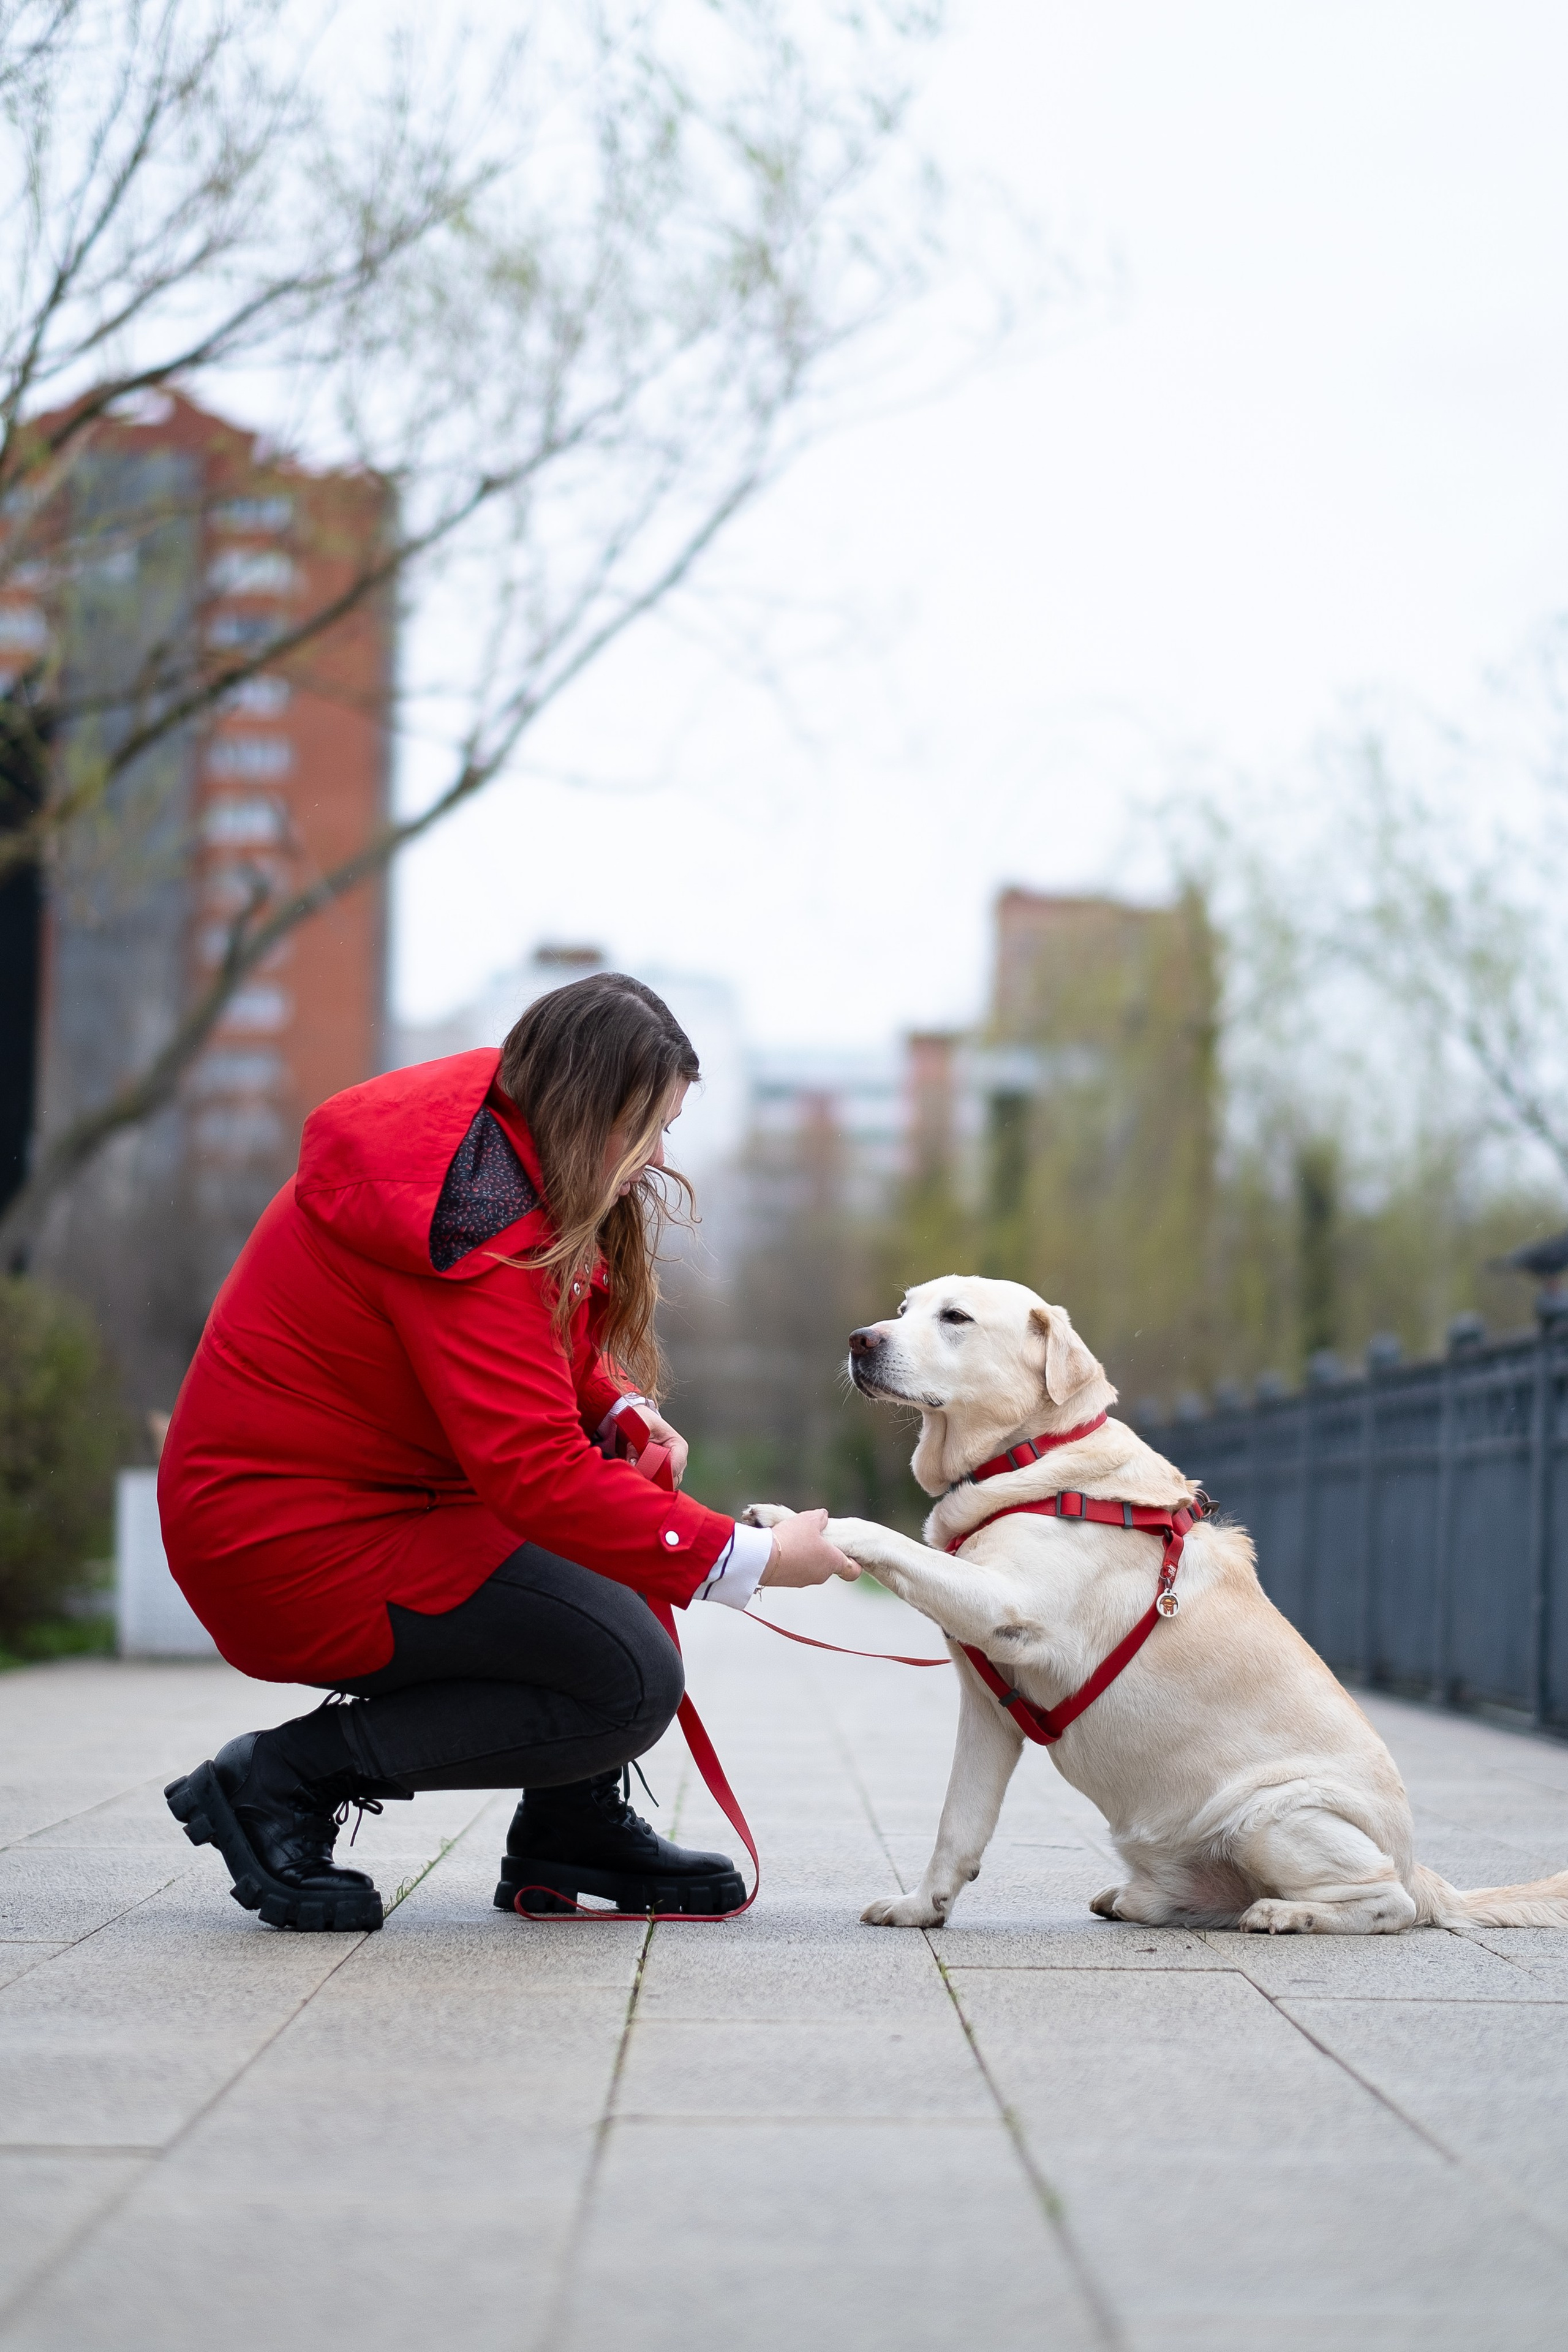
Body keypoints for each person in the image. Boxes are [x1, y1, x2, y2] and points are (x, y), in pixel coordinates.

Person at [159, 973, 856, 1931]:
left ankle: (572, 1823)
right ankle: (279, 1780)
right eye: (642, 1128)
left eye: (665, 1129)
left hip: (371, 1504)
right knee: (629, 1682)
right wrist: (757, 1559)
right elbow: (535, 1473)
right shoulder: (469, 1215)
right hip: (284, 1537)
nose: (656, 1158)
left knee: (612, 1589)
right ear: (582, 1109)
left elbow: (525, 1344)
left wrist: (616, 1406)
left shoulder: (493, 1155)